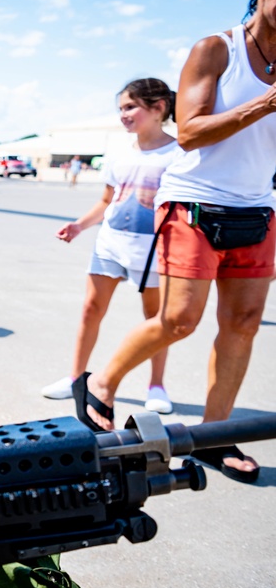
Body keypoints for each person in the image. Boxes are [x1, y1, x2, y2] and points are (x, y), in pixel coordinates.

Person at [75, 0, 276, 484]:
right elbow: (188, 132)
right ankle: (100, 382)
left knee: (243, 325)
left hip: (257, 206)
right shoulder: (218, 49)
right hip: (195, 202)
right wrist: (268, 101)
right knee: (180, 319)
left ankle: (215, 435)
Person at [41, 79, 181, 414]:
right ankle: (76, 378)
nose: (123, 115)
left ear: (159, 107)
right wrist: (79, 225)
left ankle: (157, 385)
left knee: (155, 319)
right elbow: (107, 200)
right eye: (120, 108)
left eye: (131, 107)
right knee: (91, 310)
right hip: (110, 244)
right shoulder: (118, 153)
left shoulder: (178, 154)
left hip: (153, 250)